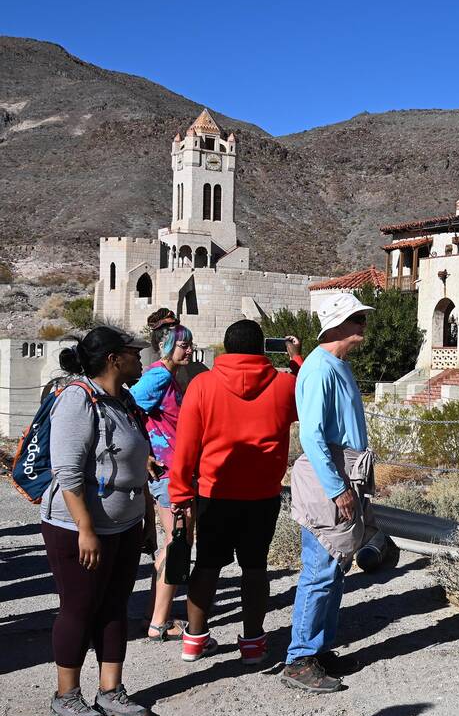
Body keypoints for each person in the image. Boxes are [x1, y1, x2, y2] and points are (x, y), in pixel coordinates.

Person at [168, 321, 302, 664]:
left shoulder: (202, 385)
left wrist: (180, 493)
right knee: (255, 568)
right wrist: (296, 359)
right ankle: (254, 643)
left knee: (207, 565)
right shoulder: (285, 385)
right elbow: (308, 400)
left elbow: (185, 445)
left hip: (214, 492)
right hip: (262, 495)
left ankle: (194, 641)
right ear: (261, 349)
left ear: (227, 349)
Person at [42, 326, 156, 716]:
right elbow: (68, 471)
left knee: (113, 607)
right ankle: (66, 695)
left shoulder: (121, 400)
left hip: (124, 523)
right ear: (113, 358)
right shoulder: (77, 399)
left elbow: (136, 465)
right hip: (78, 527)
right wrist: (85, 528)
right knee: (79, 608)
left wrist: (145, 519)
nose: (140, 358)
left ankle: (111, 690)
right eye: (133, 352)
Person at [282, 292, 375, 692]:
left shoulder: (334, 365)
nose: (362, 325)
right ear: (337, 323)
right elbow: (312, 434)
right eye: (357, 318)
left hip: (343, 473)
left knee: (334, 569)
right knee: (320, 570)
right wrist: (337, 487)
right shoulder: (321, 368)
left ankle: (317, 650)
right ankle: (299, 658)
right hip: (331, 478)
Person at [129, 320, 194, 643]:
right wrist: (143, 454)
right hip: (167, 472)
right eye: (184, 345)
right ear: (167, 346)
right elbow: (128, 408)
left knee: (172, 544)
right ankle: (158, 622)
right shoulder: (157, 375)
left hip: (172, 470)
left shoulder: (168, 376)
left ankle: (156, 615)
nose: (190, 350)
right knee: (177, 544)